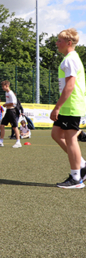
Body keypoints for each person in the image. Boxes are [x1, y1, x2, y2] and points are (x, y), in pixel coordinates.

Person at [51, 28, 86, 189]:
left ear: (69, 43)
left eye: (59, 41)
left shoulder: (70, 59)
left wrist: (57, 107)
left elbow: (70, 86)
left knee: (71, 139)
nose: (56, 43)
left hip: (71, 105)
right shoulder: (69, 59)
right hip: (68, 105)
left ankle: (76, 178)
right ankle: (82, 165)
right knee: (56, 134)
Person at [0, 81, 21, 148]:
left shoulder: (11, 93)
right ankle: (1, 142)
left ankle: (18, 142)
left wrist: (5, 104)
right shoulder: (6, 93)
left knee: (14, 127)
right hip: (8, 111)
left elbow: (13, 103)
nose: (2, 87)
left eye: (3, 86)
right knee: (2, 125)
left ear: (7, 86)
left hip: (12, 111)